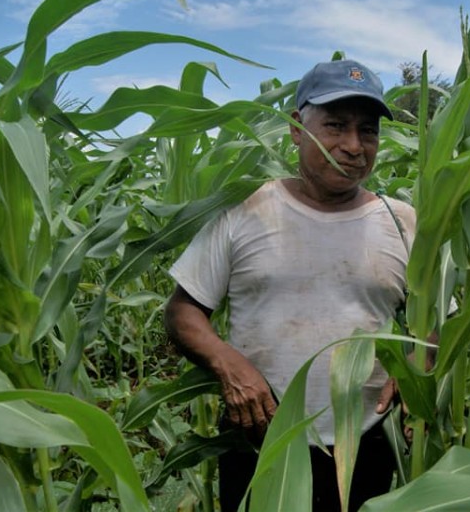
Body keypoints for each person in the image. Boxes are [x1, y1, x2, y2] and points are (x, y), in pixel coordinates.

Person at [164, 59, 417, 511]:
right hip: (260, 437)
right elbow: (184, 311)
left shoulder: (402, 222)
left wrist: (416, 367)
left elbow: (440, 315)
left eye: (369, 131)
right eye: (336, 126)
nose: (353, 146)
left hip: (367, 441)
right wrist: (229, 366)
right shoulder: (244, 209)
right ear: (297, 127)